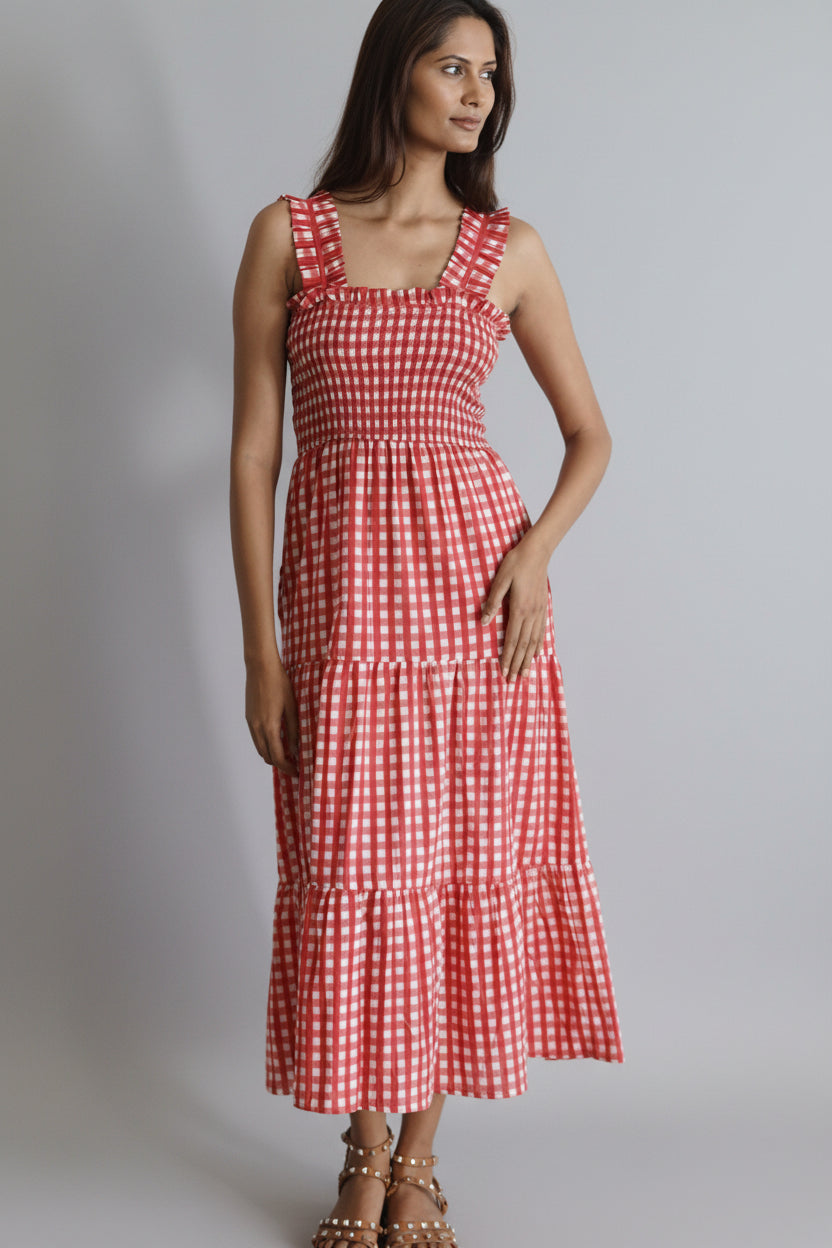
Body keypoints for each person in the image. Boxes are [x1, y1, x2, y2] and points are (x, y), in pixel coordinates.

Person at [230, 1, 624, 1244]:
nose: (475, 94)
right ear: (392, 70)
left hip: (474, 608)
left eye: (489, 75)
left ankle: (415, 1165)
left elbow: (590, 436)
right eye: (452, 66)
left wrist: (532, 554)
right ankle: (359, 1148)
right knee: (356, 866)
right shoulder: (289, 236)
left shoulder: (507, 248)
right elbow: (254, 456)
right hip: (340, 614)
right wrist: (260, 653)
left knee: (454, 867)